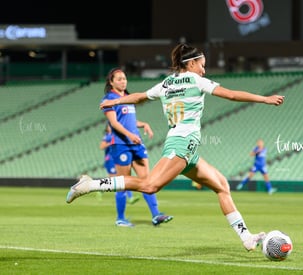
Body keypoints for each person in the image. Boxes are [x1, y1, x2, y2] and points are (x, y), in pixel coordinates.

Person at [66, 43, 285, 251]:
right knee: (150, 185)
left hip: (187, 148)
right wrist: (264, 99)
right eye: (202, 64)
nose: (204, 69)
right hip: (182, 144)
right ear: (190, 64)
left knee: (222, 186)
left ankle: (246, 237)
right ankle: (91, 184)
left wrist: (115, 102)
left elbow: (140, 97)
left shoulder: (166, 83)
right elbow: (230, 95)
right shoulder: (196, 81)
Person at [98, 67, 173, 227]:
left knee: (147, 180)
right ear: (111, 82)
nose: (123, 81)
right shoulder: (108, 99)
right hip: (121, 144)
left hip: (136, 143)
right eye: (119, 79)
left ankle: (156, 215)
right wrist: (130, 135)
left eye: (124, 78)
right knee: (123, 182)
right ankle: (120, 218)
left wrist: (143, 124)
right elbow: (114, 123)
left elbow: (129, 121)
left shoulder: (128, 97)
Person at [99, 123, 140, 204]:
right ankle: (101, 188)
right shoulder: (108, 136)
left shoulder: (116, 135)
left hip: (117, 158)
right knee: (116, 179)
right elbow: (102, 146)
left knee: (122, 178)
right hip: (110, 160)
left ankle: (129, 197)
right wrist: (111, 143)